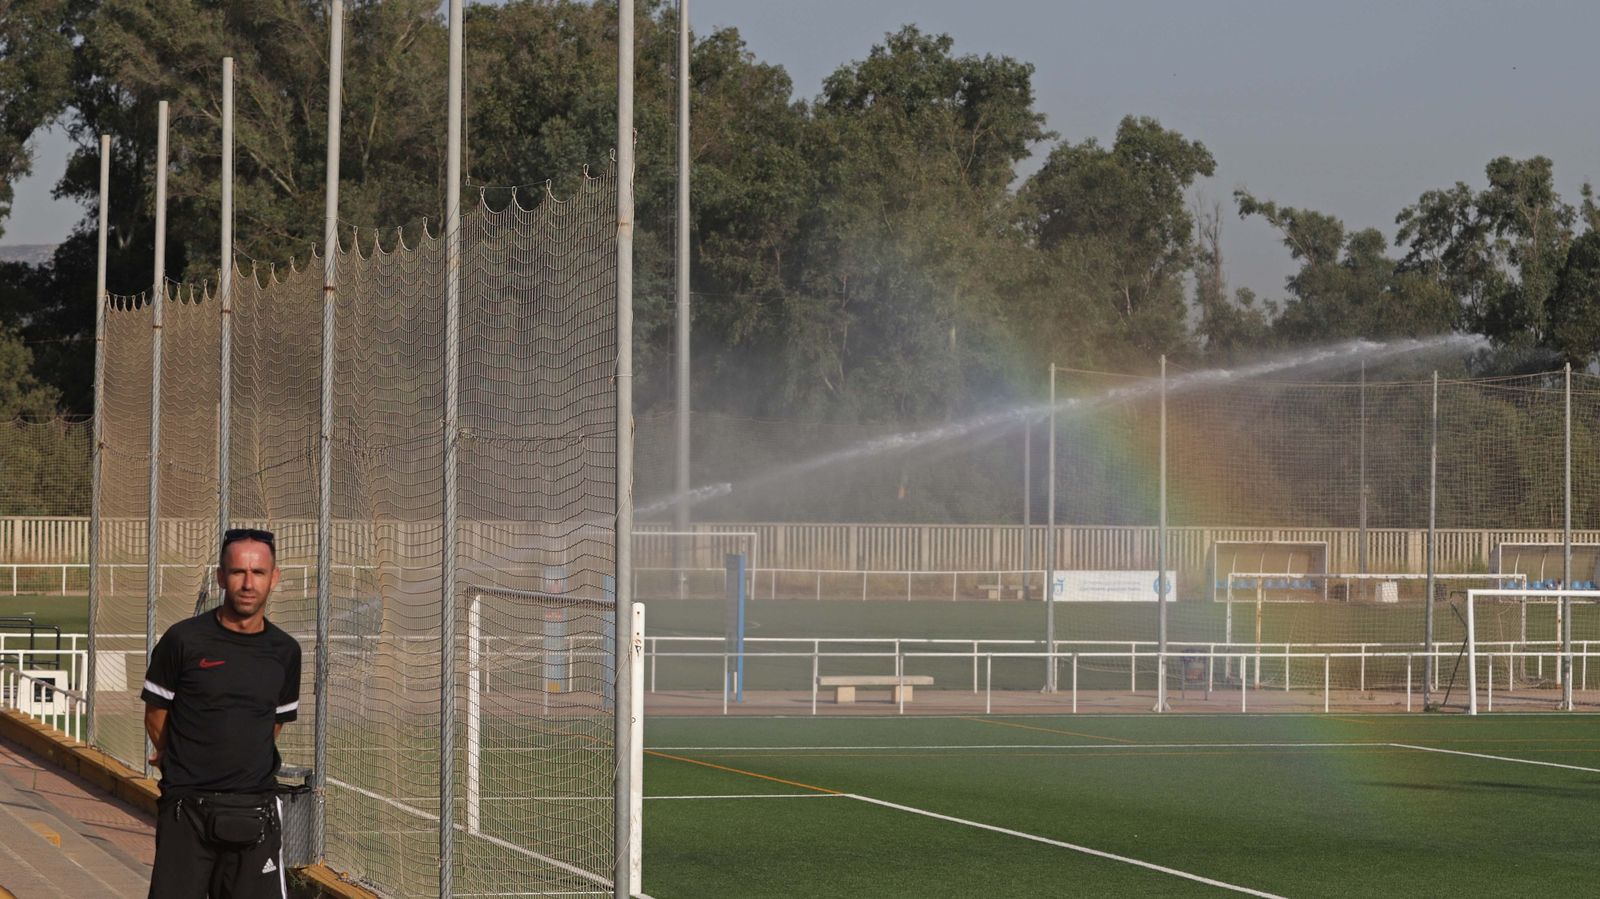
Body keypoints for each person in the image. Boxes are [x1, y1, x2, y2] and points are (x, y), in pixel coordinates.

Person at [142, 527, 302, 898]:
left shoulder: (285, 651)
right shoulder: (183, 639)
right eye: (238, 572)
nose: (248, 583)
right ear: (220, 577)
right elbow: (156, 715)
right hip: (187, 808)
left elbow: (273, 724)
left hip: (255, 808)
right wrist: (179, 760)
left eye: (258, 573)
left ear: (274, 578)